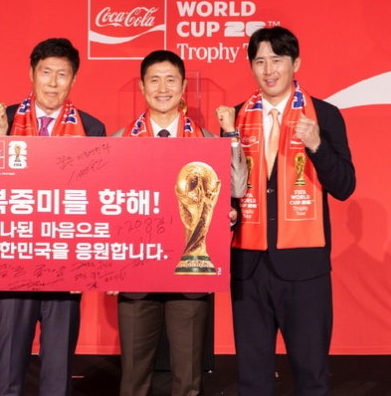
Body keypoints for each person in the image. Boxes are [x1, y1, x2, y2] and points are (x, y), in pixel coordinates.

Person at [223, 26, 356, 395]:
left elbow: (345, 186)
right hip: (248, 268)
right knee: (252, 379)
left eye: (277, 60)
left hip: (304, 268)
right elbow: (226, 191)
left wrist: (317, 146)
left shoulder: (324, 115)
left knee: (312, 376)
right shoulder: (235, 118)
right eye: (260, 61)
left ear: (295, 63)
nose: (269, 70)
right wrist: (227, 212)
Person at [112, 49, 247, 396]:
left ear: (183, 86)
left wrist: (231, 136)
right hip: (136, 273)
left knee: (188, 380)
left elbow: (237, 188)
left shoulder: (207, 141)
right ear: (142, 87)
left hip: (191, 272)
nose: (163, 88)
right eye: (154, 80)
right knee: (133, 379)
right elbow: (106, 208)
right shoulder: (118, 141)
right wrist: (110, 266)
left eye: (171, 80)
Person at [0, 37, 106, 396]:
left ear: (74, 79)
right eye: (46, 72)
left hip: (65, 263)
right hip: (15, 261)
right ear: (31, 74)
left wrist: (89, 263)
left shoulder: (92, 128)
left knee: (58, 369)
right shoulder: (3, 119)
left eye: (62, 74)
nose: (53, 83)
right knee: (9, 363)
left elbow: (97, 200)